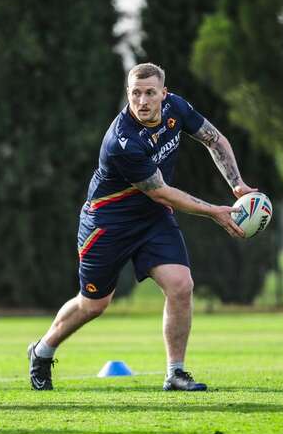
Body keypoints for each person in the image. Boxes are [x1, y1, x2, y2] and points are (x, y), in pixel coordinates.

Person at [27, 63, 257, 391]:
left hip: (153, 219)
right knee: (94, 304)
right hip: (107, 225)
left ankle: (175, 373)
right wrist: (215, 212)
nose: (143, 100)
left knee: (181, 285)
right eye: (135, 93)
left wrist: (237, 185)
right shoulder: (122, 142)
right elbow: (161, 190)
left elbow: (214, 139)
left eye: (150, 92)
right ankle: (42, 350)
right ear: (128, 95)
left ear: (164, 93)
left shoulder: (177, 108)